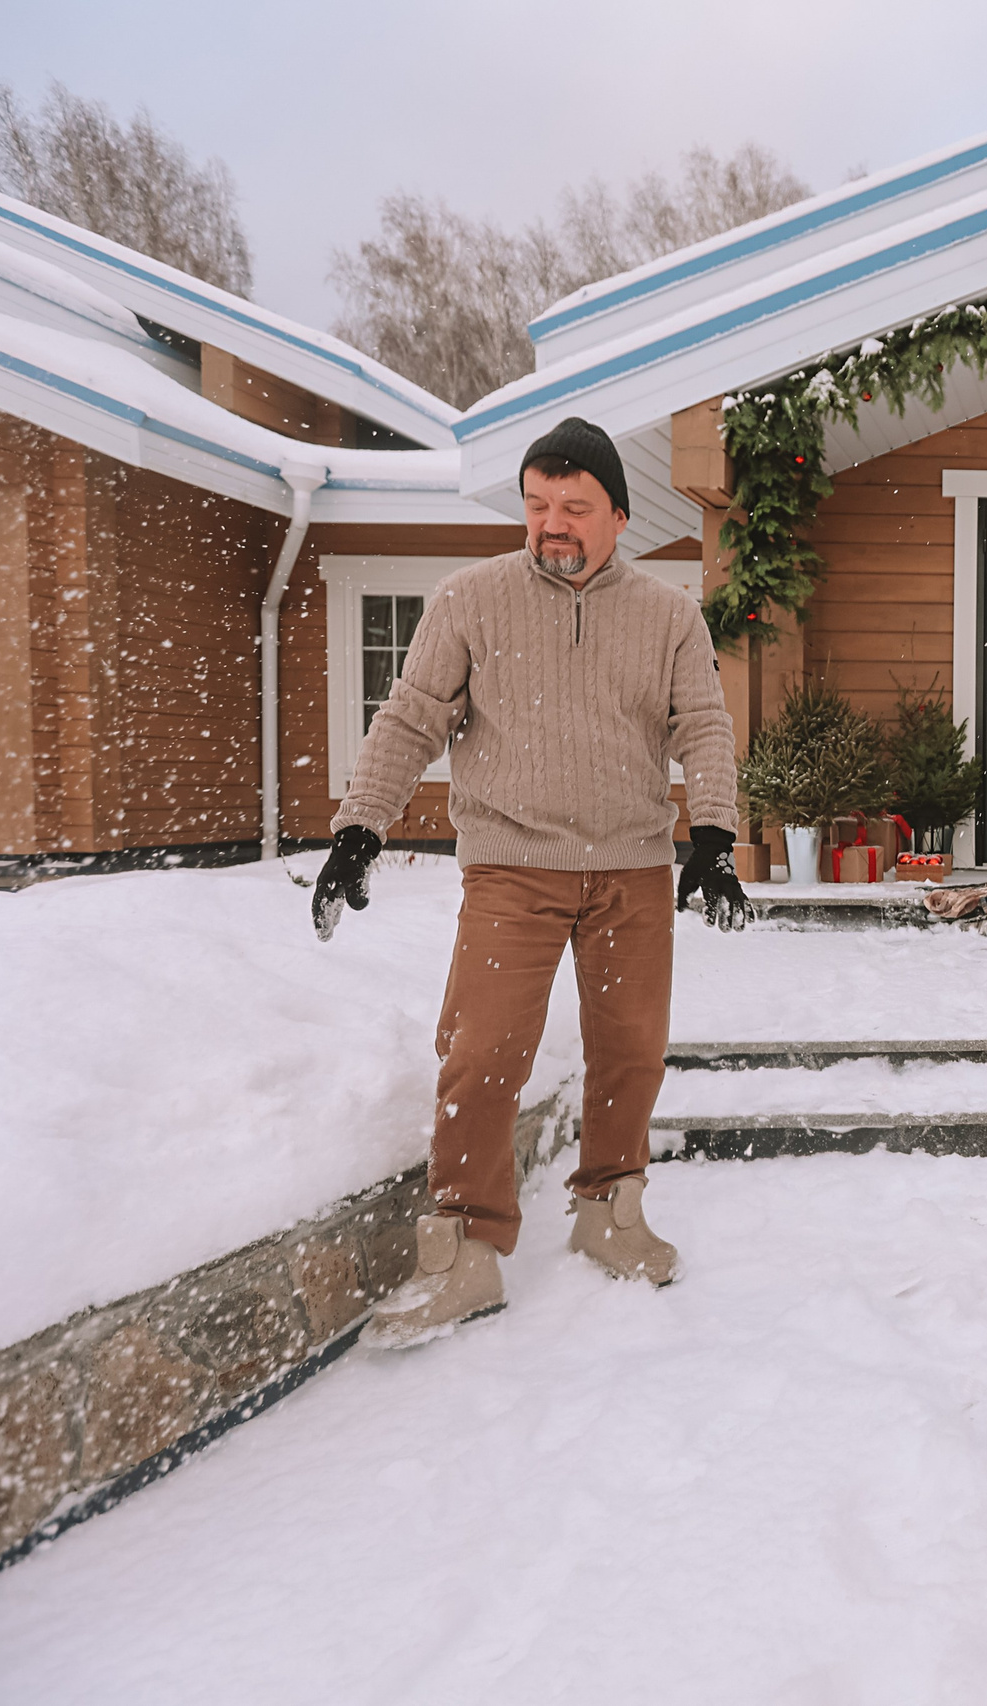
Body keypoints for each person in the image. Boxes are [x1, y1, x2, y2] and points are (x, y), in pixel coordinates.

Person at [310, 415, 750, 1349]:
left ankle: (610, 1209)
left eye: (574, 507)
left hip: (630, 865)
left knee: (631, 1047)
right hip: (511, 865)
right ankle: (464, 1248)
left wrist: (711, 835)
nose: (552, 523)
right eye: (538, 504)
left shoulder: (668, 614)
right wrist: (359, 828)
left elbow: (702, 726)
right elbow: (410, 719)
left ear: (619, 518)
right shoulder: (470, 600)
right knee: (484, 1048)